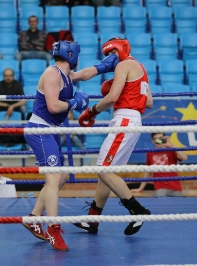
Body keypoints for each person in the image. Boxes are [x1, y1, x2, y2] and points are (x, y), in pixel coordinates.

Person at [22, 40, 119, 251]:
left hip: (51, 130)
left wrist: (104, 66)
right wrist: (75, 103)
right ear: (71, 55)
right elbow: (53, 105)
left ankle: (34, 218)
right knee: (54, 177)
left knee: (61, 176)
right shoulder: (52, 73)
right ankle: (53, 229)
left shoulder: (66, 75)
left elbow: (82, 74)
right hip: (40, 129)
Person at [74, 37, 153, 236]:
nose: (110, 58)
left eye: (112, 53)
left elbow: (111, 98)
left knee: (104, 170)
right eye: (107, 55)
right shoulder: (140, 67)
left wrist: (91, 112)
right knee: (107, 174)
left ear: (120, 50)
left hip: (124, 121)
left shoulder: (124, 65)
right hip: (133, 121)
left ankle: (137, 210)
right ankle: (93, 220)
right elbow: (149, 101)